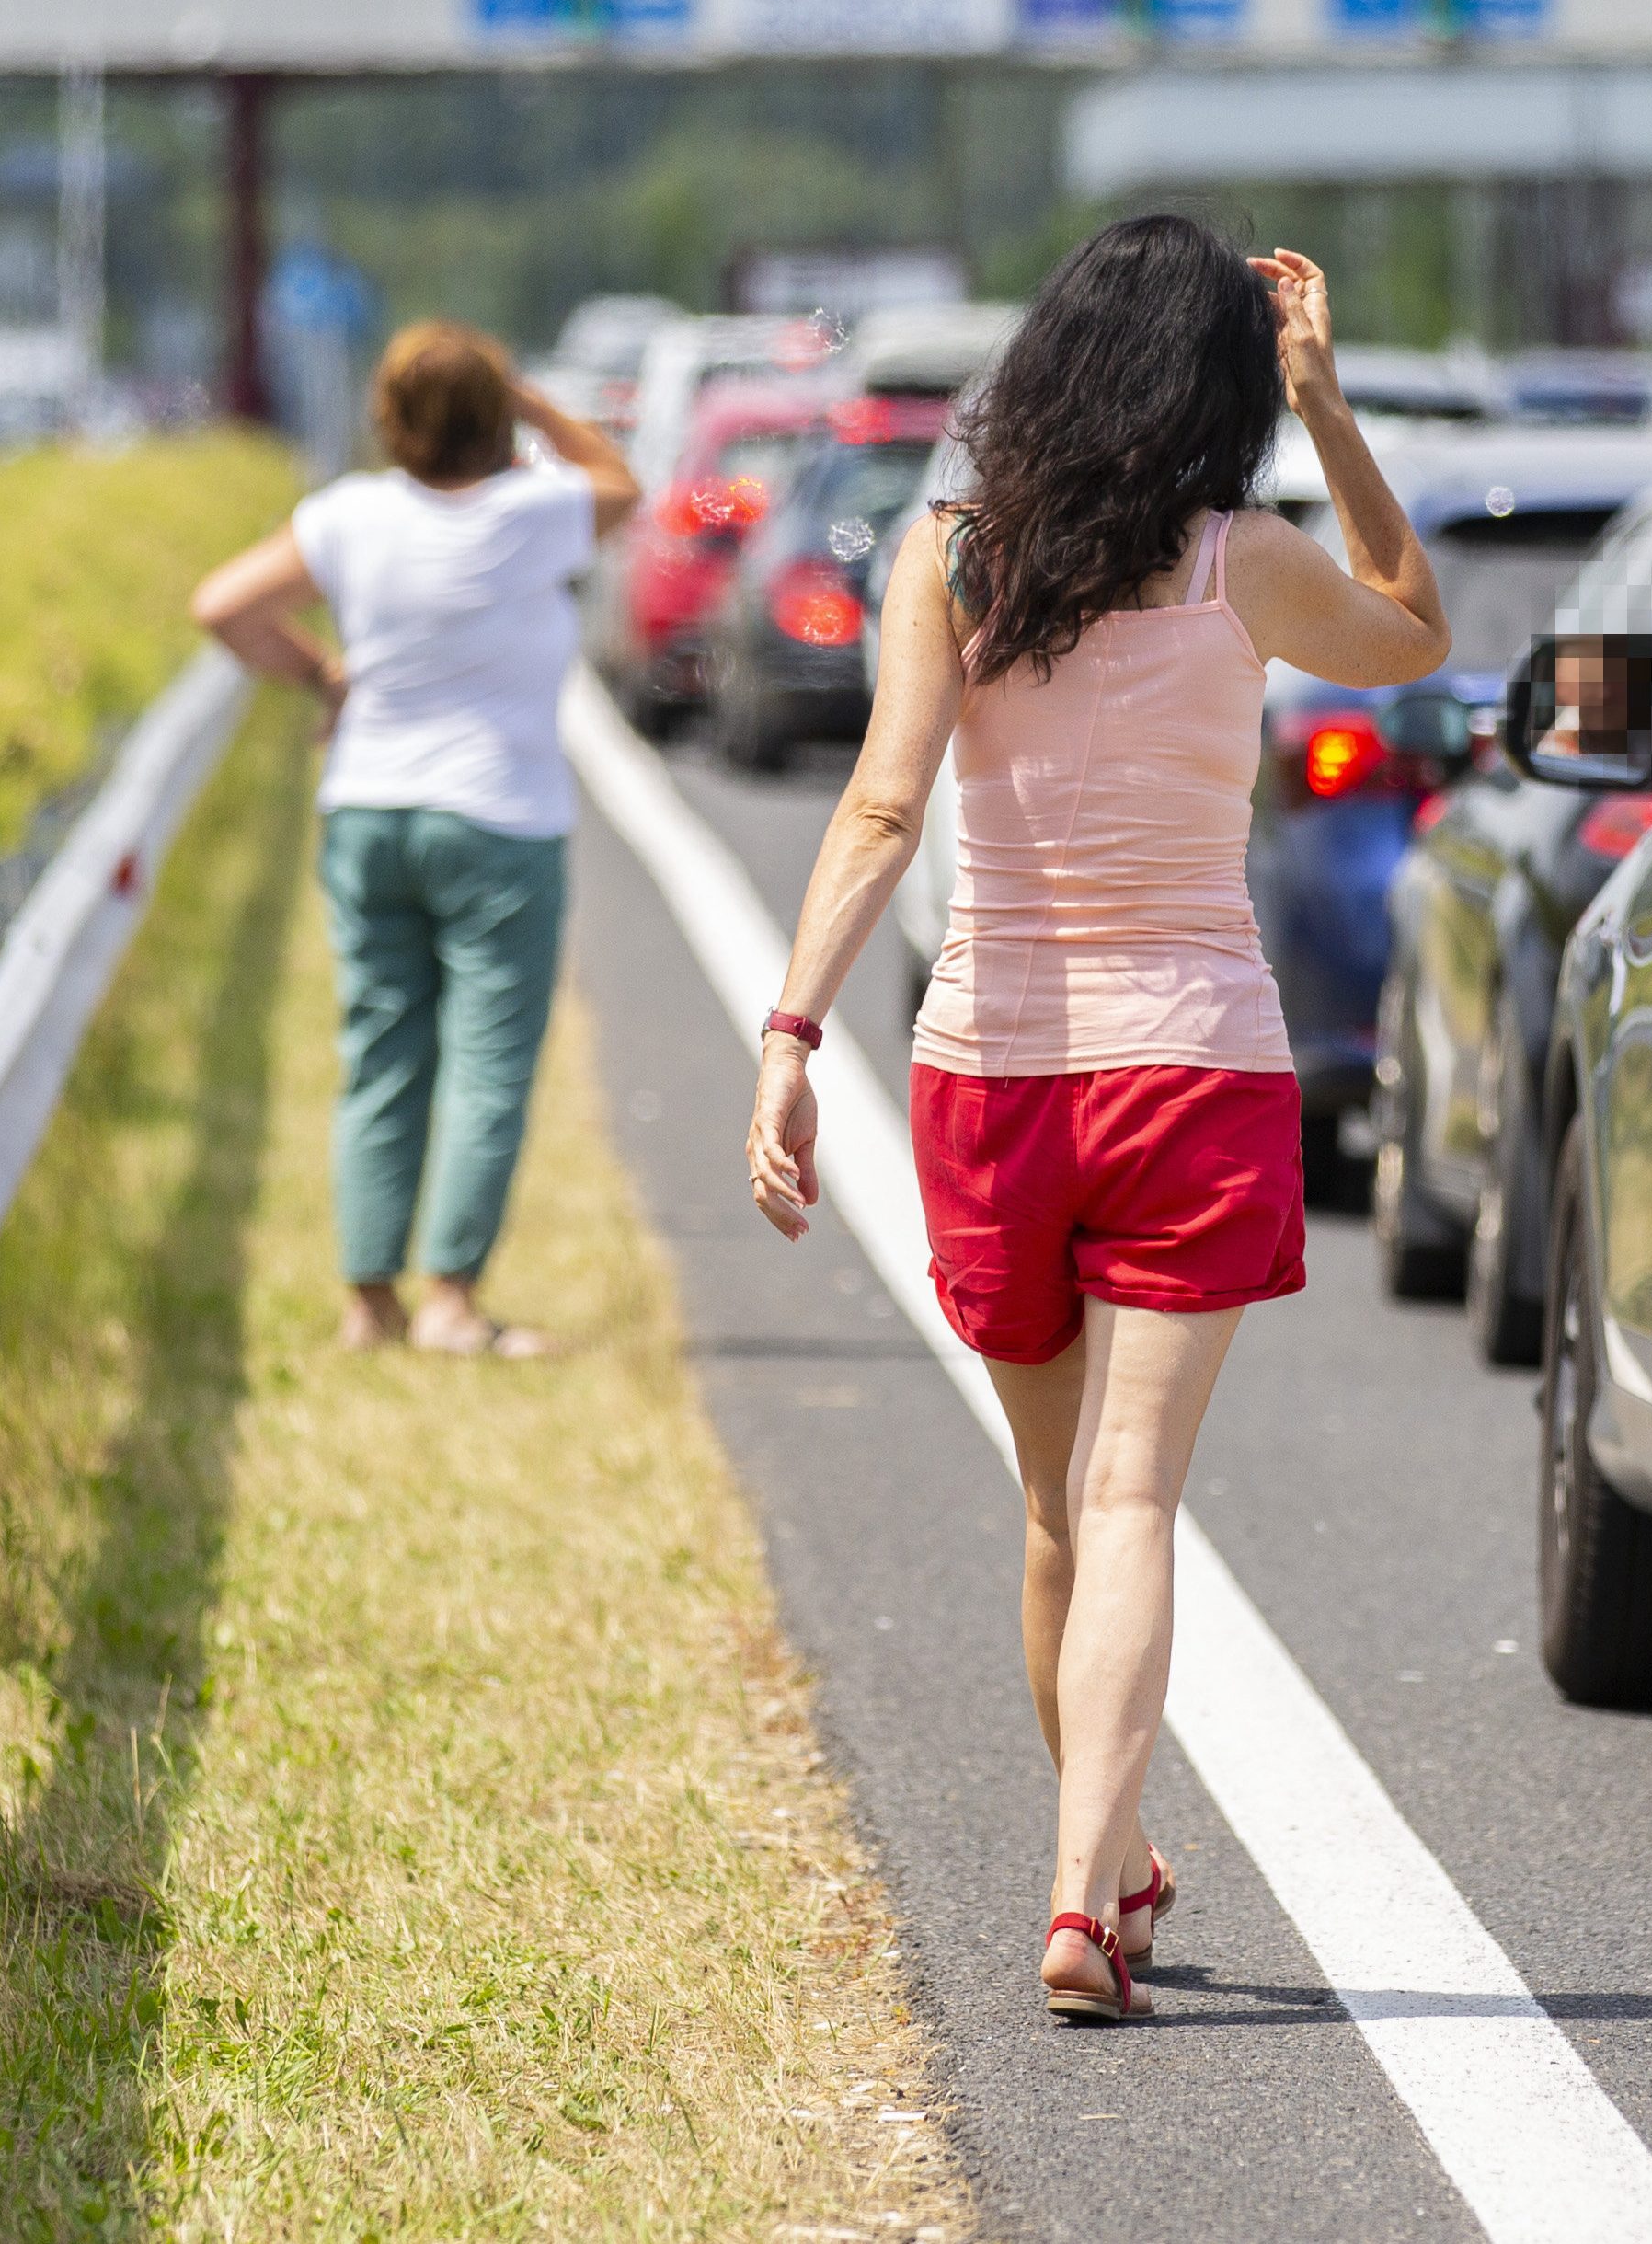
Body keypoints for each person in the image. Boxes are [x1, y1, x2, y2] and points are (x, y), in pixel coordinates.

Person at [741, 218, 1447, 2022]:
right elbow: (1417, 628)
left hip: (991, 1075)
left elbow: (883, 809)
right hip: (1192, 1070)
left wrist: (790, 1031)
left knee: (1056, 1510)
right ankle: (1083, 1887)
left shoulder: (950, 552)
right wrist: (1331, 403)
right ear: (1217, 384)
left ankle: (1104, 1867)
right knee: (1135, 1496)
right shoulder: (1242, 560)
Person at [196, 321, 640, 1355]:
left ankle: (367, 1301)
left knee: (381, 1049)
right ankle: (449, 1297)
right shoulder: (533, 511)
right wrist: (527, 397)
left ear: (386, 418)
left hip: (366, 807)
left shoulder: (346, 516)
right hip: (498, 817)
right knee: (488, 1058)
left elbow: (221, 605)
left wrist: (322, 675)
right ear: (493, 417)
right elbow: (619, 481)